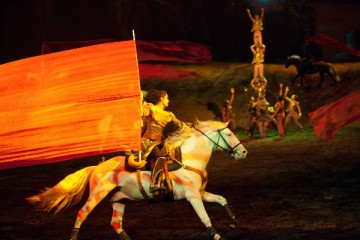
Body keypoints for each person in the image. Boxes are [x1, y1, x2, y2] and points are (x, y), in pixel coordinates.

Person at [141, 89, 183, 192]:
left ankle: (165, 179)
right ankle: (153, 184)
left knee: (172, 155)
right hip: (148, 141)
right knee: (160, 156)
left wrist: (191, 126)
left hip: (159, 141)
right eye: (167, 98)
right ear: (161, 98)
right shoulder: (150, 108)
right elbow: (141, 113)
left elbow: (180, 124)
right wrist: (140, 99)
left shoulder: (169, 114)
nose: (168, 100)